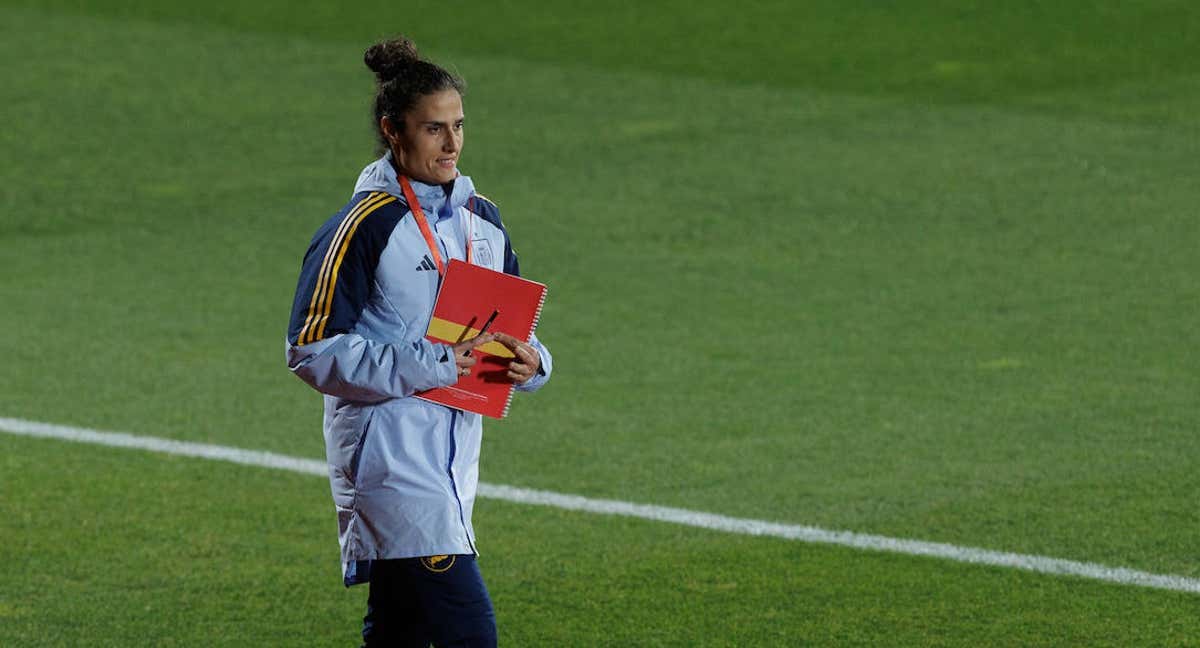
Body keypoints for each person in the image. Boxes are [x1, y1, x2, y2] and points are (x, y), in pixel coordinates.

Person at [284, 35, 553, 647]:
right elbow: (310, 349)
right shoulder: (363, 226)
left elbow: (514, 329)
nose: (453, 143)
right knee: (469, 633)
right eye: (435, 129)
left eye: (459, 126)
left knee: (398, 632)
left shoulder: (482, 219)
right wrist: (434, 362)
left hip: (455, 461)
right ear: (393, 131)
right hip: (391, 464)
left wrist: (533, 363)